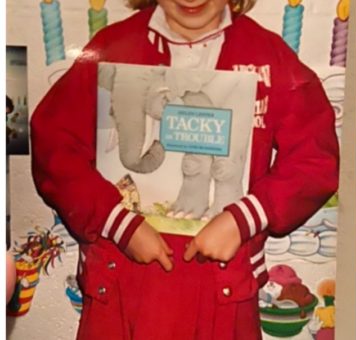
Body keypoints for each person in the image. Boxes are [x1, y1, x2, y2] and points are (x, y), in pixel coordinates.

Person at [30, 0, 339, 339]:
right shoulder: (112, 47)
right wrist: (115, 221)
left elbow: (314, 157)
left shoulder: (268, 57)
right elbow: (54, 144)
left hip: (222, 287)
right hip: (123, 281)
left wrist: (245, 217)